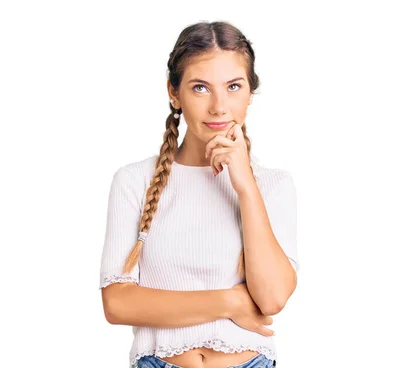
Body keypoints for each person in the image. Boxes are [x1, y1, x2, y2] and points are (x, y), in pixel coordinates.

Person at [99, 20, 299, 368]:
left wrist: (245, 187)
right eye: (200, 88)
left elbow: (272, 299)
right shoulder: (134, 181)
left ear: (250, 92)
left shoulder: (273, 185)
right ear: (174, 93)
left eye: (234, 86)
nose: (219, 106)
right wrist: (230, 302)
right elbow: (117, 304)